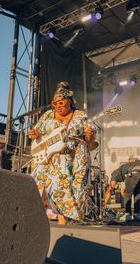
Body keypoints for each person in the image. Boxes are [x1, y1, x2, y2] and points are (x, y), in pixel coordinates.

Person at [29, 81, 98, 224]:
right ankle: (37, 223)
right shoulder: (47, 115)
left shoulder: (80, 116)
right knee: (43, 189)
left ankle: (64, 227)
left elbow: (90, 141)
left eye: (61, 103)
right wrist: (34, 134)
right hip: (50, 158)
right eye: (55, 104)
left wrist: (89, 136)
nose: (58, 106)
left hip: (75, 159)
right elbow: (35, 133)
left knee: (70, 193)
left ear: (70, 102)